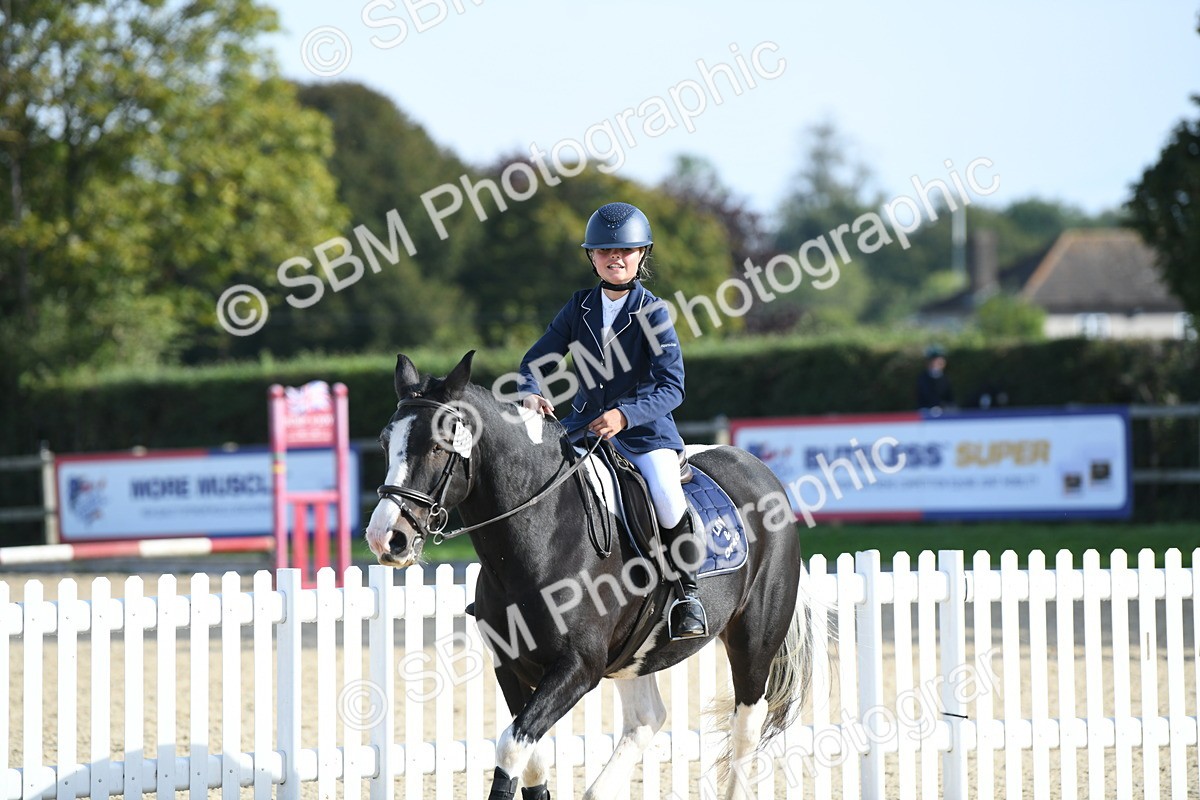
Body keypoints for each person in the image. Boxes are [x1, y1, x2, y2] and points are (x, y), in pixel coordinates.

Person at [517, 201, 707, 640]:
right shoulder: (579, 306)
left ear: (642, 255)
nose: (614, 258)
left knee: (663, 491)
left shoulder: (654, 313)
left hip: (644, 433)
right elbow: (537, 360)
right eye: (604, 251)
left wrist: (625, 414)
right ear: (592, 257)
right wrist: (530, 389)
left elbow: (671, 385)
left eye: (625, 251)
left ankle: (686, 593)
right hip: (582, 427)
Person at [916, 344, 955, 414]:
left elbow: (949, 398)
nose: (939, 362)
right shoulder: (923, 378)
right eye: (935, 360)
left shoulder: (945, 378)